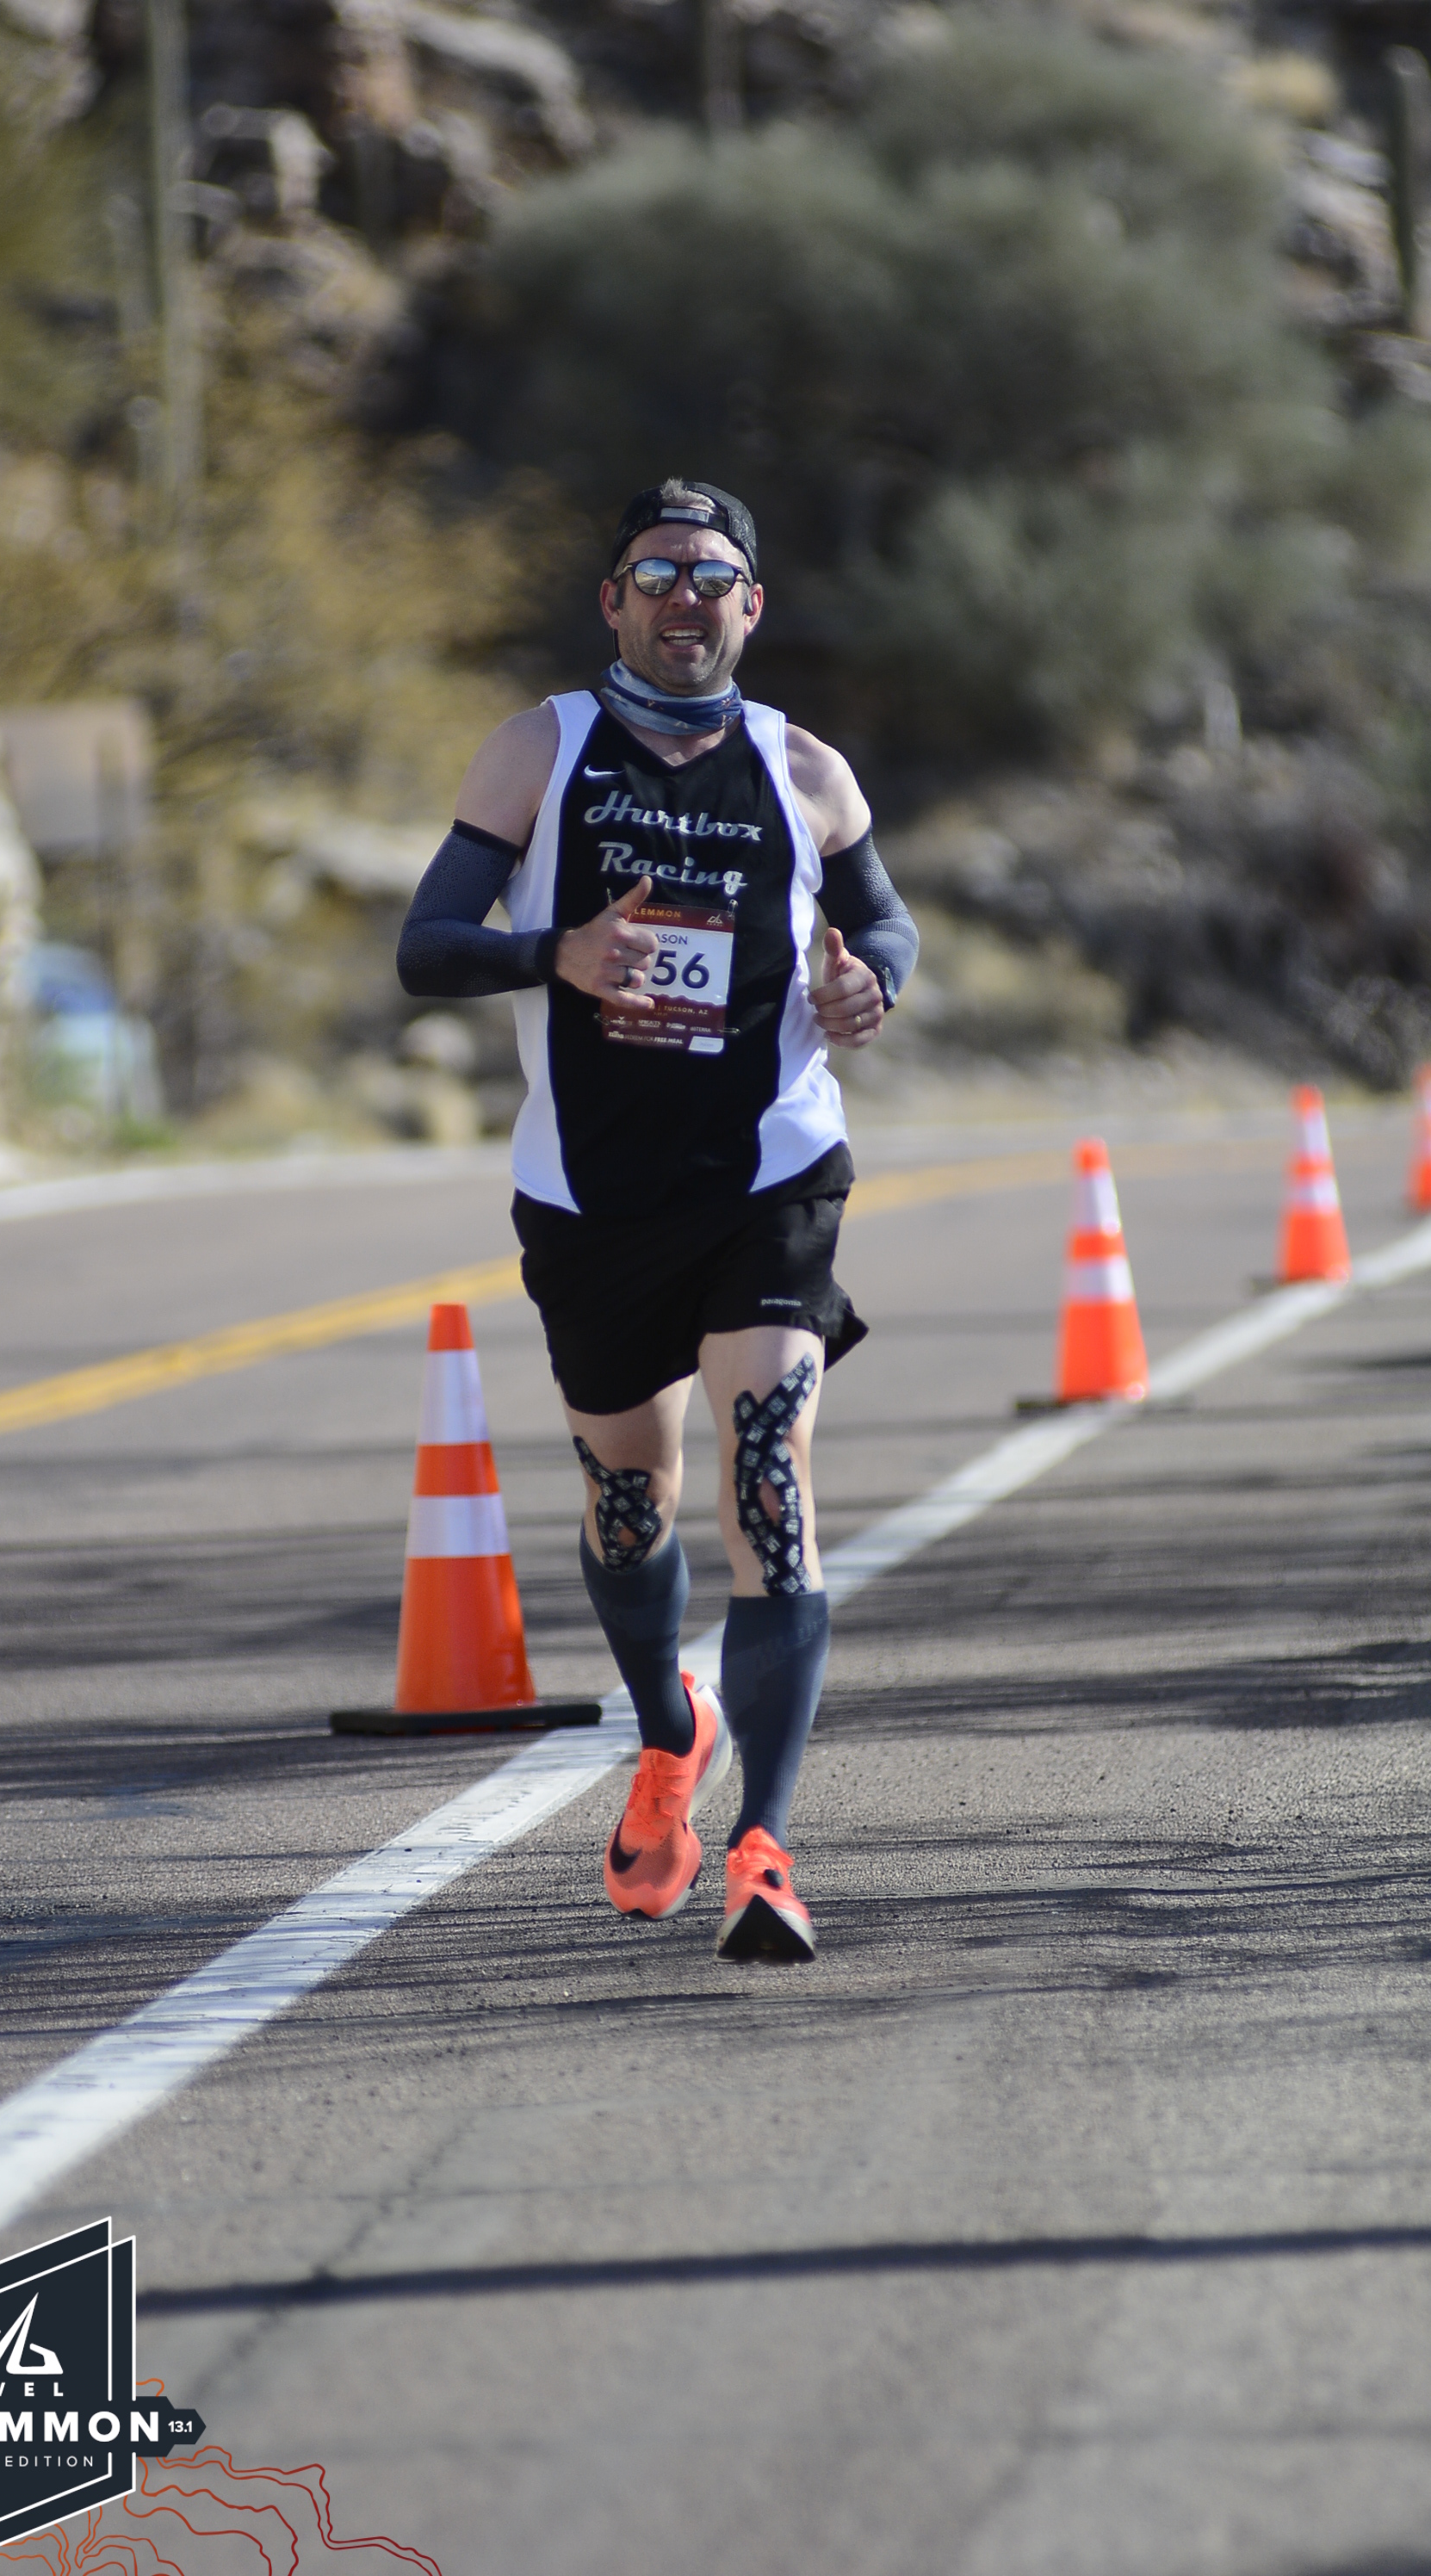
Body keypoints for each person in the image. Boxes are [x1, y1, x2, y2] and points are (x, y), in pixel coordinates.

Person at [398, 477, 917, 1960]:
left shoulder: (805, 768)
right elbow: (429, 946)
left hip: (771, 1176)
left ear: (752, 605)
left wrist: (869, 982)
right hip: (593, 1194)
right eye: (655, 573)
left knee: (769, 1479)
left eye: (711, 575)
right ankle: (667, 1734)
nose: (684, 597)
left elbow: (885, 921)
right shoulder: (541, 749)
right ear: (613, 601)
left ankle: (766, 1843)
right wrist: (556, 955)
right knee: (629, 1499)